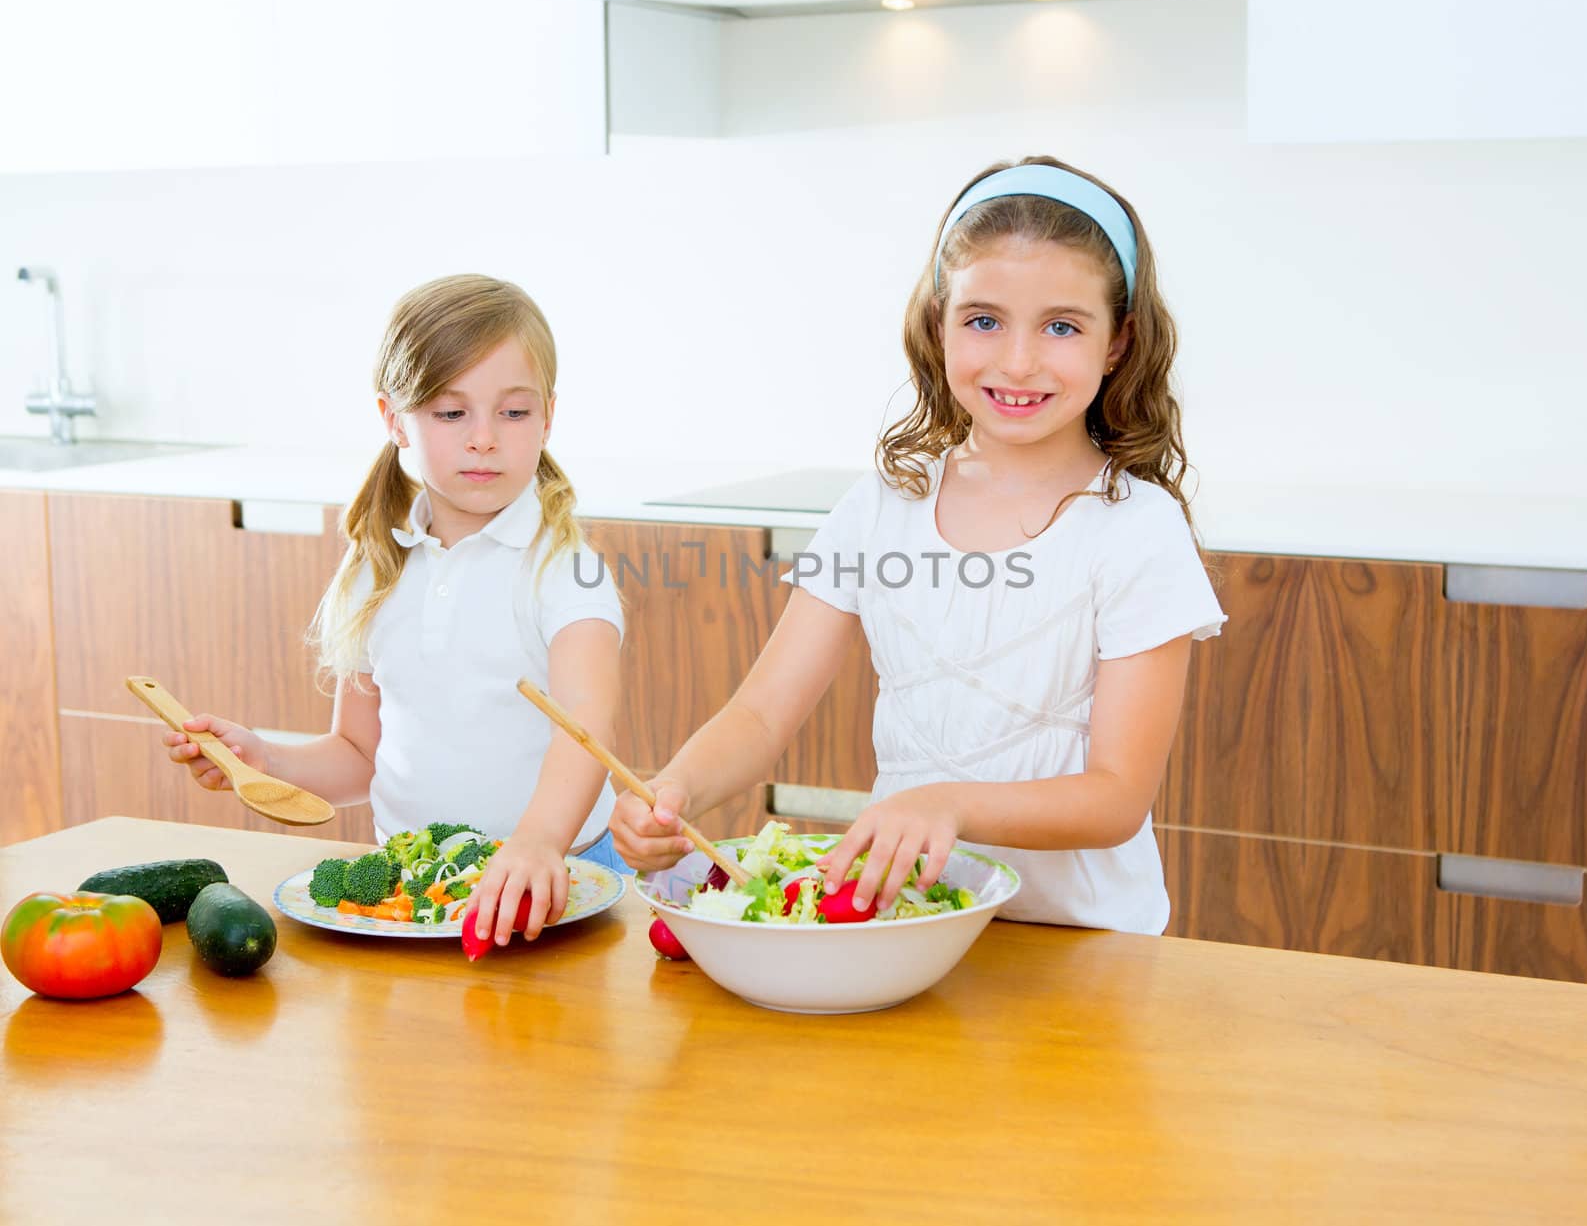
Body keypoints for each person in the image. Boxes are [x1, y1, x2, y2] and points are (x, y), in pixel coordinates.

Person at [611, 157, 1225, 933]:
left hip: (1085, 944)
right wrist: (677, 789)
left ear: (1117, 341)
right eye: (983, 319)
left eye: (1062, 326)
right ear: (939, 325)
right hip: (910, 932)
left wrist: (950, 804)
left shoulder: (1136, 529)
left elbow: (1115, 796)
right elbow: (763, 714)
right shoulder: (881, 508)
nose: (1018, 360)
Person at [164, 273, 627, 947]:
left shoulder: (566, 567)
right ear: (393, 419)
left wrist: (534, 844)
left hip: (559, 881)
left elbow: (588, 728)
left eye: (514, 412)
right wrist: (263, 757)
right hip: (419, 895)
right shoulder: (375, 567)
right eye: (451, 413)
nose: (484, 438)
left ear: (548, 416)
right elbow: (359, 755)